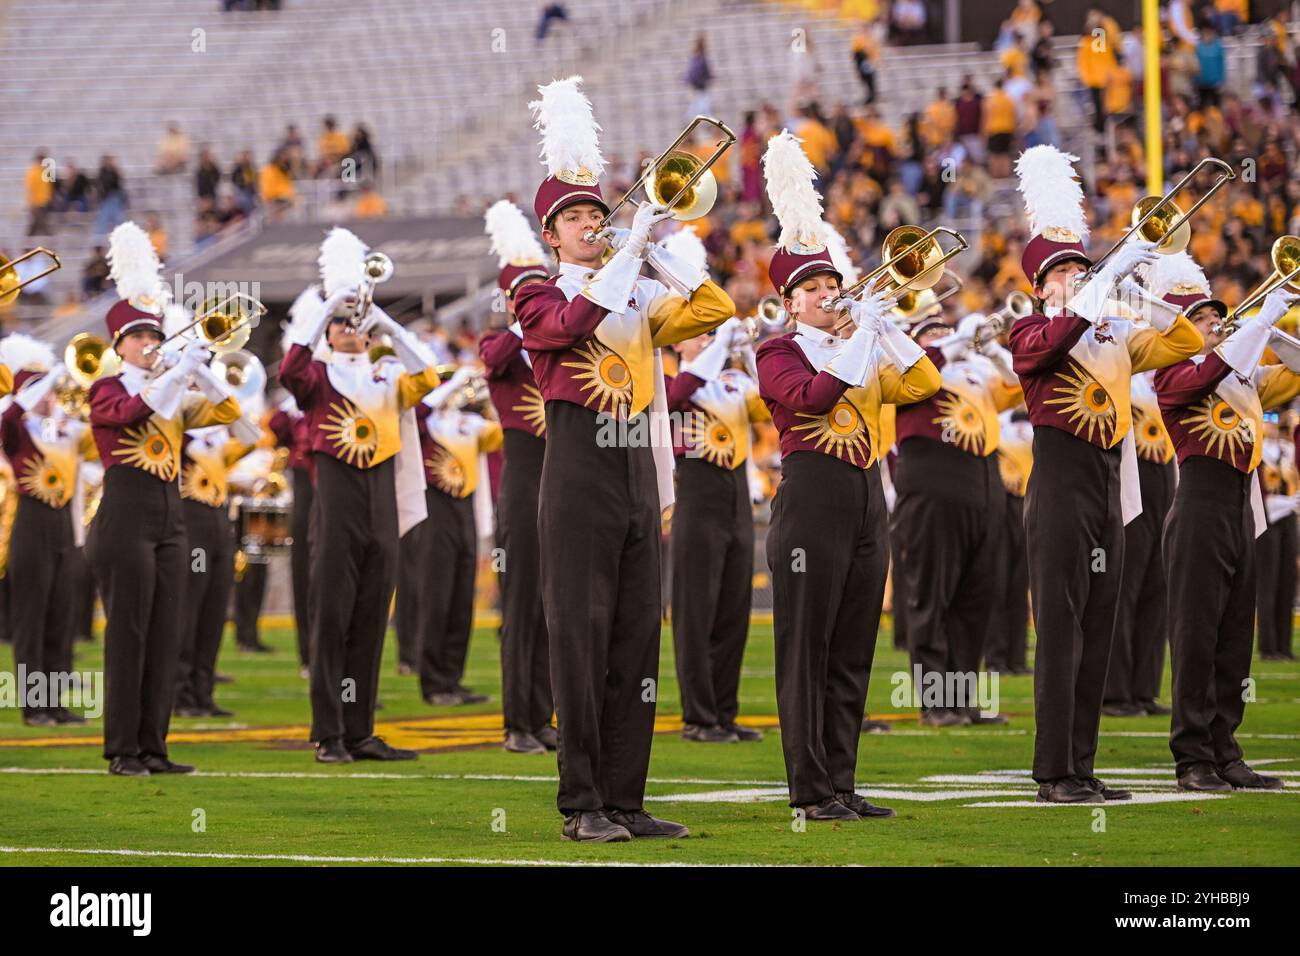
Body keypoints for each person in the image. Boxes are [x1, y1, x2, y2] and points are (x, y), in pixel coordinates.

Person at [513, 77, 733, 842]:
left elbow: (714, 311)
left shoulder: (633, 287)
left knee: (638, 635)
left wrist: (661, 243)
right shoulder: (536, 294)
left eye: (594, 215)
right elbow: (571, 324)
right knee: (581, 635)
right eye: (574, 218)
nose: (587, 226)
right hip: (577, 474)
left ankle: (627, 797)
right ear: (552, 234)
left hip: (638, 466)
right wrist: (628, 250)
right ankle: (581, 804)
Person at [756, 130, 940, 821]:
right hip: (811, 498)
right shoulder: (777, 350)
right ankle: (809, 789)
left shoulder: (860, 347)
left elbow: (924, 383)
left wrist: (886, 326)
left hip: (867, 497)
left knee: (853, 645)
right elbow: (812, 399)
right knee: (807, 649)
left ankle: (841, 781)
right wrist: (862, 334)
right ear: (790, 302)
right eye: (816, 288)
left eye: (834, 283)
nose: (830, 294)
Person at [1008, 146, 1201, 803]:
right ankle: (1052, 771)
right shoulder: (1030, 330)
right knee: (1061, 633)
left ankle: (1081, 767)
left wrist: (1139, 291)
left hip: (1106, 494)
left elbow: (1186, 343)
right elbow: (1053, 341)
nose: (1074, 277)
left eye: (1079, 268)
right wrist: (1095, 292)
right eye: (1063, 271)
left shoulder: (1114, 334)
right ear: (1041, 284)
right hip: (1060, 491)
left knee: (1097, 628)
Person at [280, 228, 441, 764]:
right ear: (331, 334)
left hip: (380, 503)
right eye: (343, 328)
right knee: (332, 618)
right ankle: (328, 733)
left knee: (372, 618)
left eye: (358, 326)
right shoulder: (320, 376)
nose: (353, 332)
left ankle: (360, 728)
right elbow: (289, 369)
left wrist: (389, 322)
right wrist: (327, 307)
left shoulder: (388, 376)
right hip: (337, 504)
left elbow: (430, 374)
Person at [88, 222, 243, 776]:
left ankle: (154, 746)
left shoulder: (174, 386)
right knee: (128, 631)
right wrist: (178, 369)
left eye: (154, 335)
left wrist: (202, 366)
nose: (150, 343)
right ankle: (122, 749)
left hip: (169, 518)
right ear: (119, 345)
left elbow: (230, 415)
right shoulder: (105, 388)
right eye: (140, 337)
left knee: (164, 632)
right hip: (123, 517)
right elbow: (135, 411)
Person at [1153, 262, 1300, 792]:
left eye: (1218, 316)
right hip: (1199, 506)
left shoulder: (1241, 375)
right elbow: (1206, 373)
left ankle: (1225, 749)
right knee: (1197, 633)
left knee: (1237, 634)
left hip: (1243, 506)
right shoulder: (1171, 373)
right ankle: (1191, 756)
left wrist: (1271, 326)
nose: (1215, 324)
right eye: (1203, 319)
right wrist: (1256, 326)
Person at [661, 228, 770, 745]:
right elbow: (679, 395)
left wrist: (746, 354)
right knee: (695, 610)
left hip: (734, 494)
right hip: (695, 493)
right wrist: (714, 346)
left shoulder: (727, 379)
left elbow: (769, 410)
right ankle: (698, 715)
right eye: (698, 331)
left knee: (732, 607)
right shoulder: (667, 378)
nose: (706, 337)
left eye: (710, 331)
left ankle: (724, 712)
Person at [892, 301, 1023, 726]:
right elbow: (921, 365)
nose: (939, 335)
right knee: (932, 595)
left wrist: (993, 351)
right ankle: (935, 702)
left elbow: (1019, 386)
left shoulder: (974, 372)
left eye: (941, 330)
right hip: (933, 481)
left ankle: (964, 700)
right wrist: (953, 341)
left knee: (975, 600)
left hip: (983, 484)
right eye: (929, 332)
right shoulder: (910, 371)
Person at [478, 199, 554, 753]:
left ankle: (544, 713)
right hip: (523, 478)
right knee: (522, 605)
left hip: (562, 478)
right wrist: (526, 314)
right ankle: (516, 722)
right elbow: (497, 356)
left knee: (557, 605)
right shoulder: (502, 342)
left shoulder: (552, 340)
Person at [0, 334, 95, 725]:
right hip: (29, 523)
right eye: (37, 388)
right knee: (31, 617)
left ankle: (56, 702)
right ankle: (33, 705)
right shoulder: (19, 430)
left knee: (61, 616)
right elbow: (5, 420)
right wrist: (37, 385)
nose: (47, 394)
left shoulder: (67, 430)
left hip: (63, 527)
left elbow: (101, 438)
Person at [1256, 414, 1298, 661]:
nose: (1273, 425)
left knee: (1287, 581)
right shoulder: (1258, 454)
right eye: (1267, 417)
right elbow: (1260, 498)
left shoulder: (1287, 452)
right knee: (1267, 583)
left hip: (1288, 520)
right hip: (1267, 521)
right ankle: (1268, 646)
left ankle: (1284, 645)